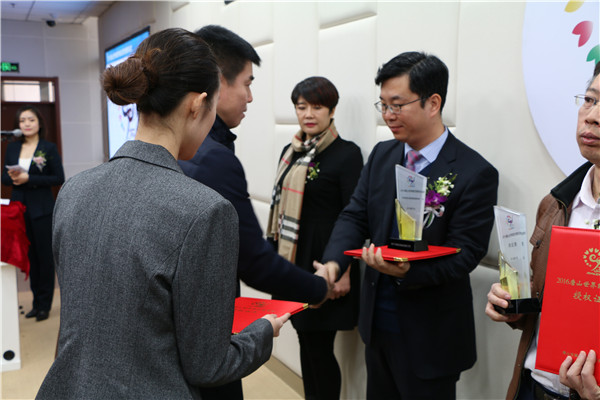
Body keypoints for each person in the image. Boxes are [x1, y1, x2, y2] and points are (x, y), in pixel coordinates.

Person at [36, 28, 288, 399]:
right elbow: (209, 365)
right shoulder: (206, 211)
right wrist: (264, 330)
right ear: (197, 104)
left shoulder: (74, 190)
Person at [315, 51, 499, 399]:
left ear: (433, 103)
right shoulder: (382, 155)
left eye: (397, 105)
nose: (388, 115)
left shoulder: (474, 172)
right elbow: (355, 215)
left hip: (431, 336)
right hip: (377, 325)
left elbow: (466, 254)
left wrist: (408, 272)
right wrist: (334, 264)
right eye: (383, 105)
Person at [178, 25, 332, 400]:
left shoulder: (186, 147)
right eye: (246, 83)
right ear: (218, 82)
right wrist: (318, 288)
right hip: (206, 333)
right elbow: (253, 261)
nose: (250, 96)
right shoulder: (211, 157)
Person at [485, 62, 600, 400]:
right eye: (590, 100)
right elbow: (546, 306)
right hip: (533, 387)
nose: (592, 116)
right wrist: (514, 304)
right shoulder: (556, 204)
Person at [266, 76, 363, 400]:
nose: (308, 114)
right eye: (301, 106)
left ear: (332, 110)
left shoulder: (347, 154)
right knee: (306, 340)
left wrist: (344, 270)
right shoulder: (291, 151)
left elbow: (355, 214)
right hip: (293, 261)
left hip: (325, 262)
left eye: (317, 107)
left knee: (319, 345)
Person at [2, 105, 65, 322]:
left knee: (44, 257)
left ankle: (44, 304)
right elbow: (4, 178)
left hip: (42, 209)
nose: (26, 124)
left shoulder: (48, 148)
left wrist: (30, 179)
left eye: (30, 120)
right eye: (22, 121)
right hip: (19, 210)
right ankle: (35, 302)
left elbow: (58, 178)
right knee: (30, 258)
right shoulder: (12, 148)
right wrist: (14, 178)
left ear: (39, 123)